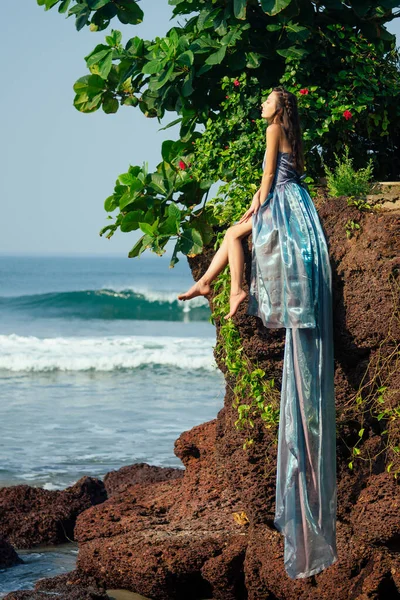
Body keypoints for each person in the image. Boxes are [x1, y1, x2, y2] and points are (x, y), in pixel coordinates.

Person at [178, 85, 338, 579]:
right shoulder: (288, 129)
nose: (262, 106)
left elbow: (268, 177)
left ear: (279, 107)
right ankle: (213, 284)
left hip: (284, 206)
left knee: (232, 233)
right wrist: (253, 208)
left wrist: (256, 213)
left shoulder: (273, 129)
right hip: (299, 204)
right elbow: (278, 175)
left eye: (267, 99)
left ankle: (232, 290)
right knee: (233, 231)